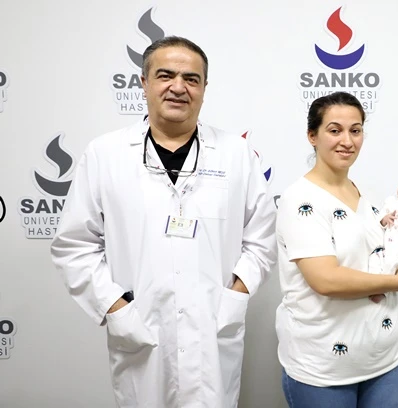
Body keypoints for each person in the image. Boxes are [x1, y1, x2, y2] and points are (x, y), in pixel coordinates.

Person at [50, 36, 277, 407]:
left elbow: (262, 238)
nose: (178, 87)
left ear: (204, 88)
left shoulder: (236, 154)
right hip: (141, 327)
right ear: (144, 83)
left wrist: (235, 296)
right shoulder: (105, 154)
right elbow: (74, 245)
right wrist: (115, 306)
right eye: (165, 75)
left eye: (191, 79)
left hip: (212, 328)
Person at [275, 91, 398, 408]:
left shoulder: (367, 194)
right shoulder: (300, 200)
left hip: (389, 357)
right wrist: (396, 282)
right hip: (324, 368)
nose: (347, 141)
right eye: (334, 130)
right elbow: (326, 280)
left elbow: (390, 245)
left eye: (356, 130)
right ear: (312, 136)